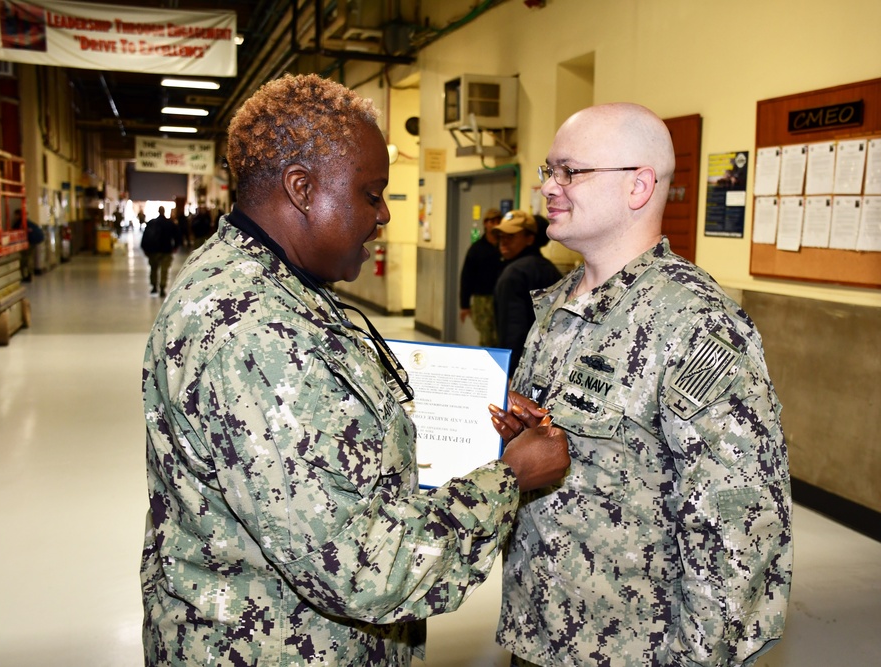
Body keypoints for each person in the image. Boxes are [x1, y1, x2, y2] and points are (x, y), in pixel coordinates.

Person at [140, 73, 570, 666]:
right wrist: (508, 480)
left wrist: (477, 403)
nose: (384, 215)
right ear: (301, 188)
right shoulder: (251, 327)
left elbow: (331, 405)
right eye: (371, 194)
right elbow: (360, 568)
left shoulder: (280, 284)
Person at [488, 103, 792, 666]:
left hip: (635, 649)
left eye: (570, 172)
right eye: (548, 170)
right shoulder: (558, 304)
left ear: (639, 186)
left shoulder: (693, 322)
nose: (550, 188)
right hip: (540, 631)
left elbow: (739, 523)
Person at [492, 210, 562, 372]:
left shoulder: (514, 273)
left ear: (530, 238)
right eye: (501, 237)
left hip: (522, 366)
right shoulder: (547, 267)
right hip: (548, 360)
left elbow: (513, 328)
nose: (504, 242)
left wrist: (508, 371)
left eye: (511, 237)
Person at [459, 207, 504, 347]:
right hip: (482, 299)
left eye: (498, 221)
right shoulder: (477, 249)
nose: (495, 224)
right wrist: (464, 305)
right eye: (492, 221)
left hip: (502, 297)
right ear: (485, 223)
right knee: (486, 337)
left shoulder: (505, 246)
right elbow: (467, 276)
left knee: (500, 336)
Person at [140, 205, 181, 297]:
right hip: (166, 250)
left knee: (154, 268)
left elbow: (145, 236)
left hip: (153, 251)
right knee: (164, 270)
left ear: (158, 211)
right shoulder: (170, 223)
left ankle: (154, 286)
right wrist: (175, 246)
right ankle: (162, 287)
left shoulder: (152, 223)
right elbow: (177, 235)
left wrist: (145, 248)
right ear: (164, 212)